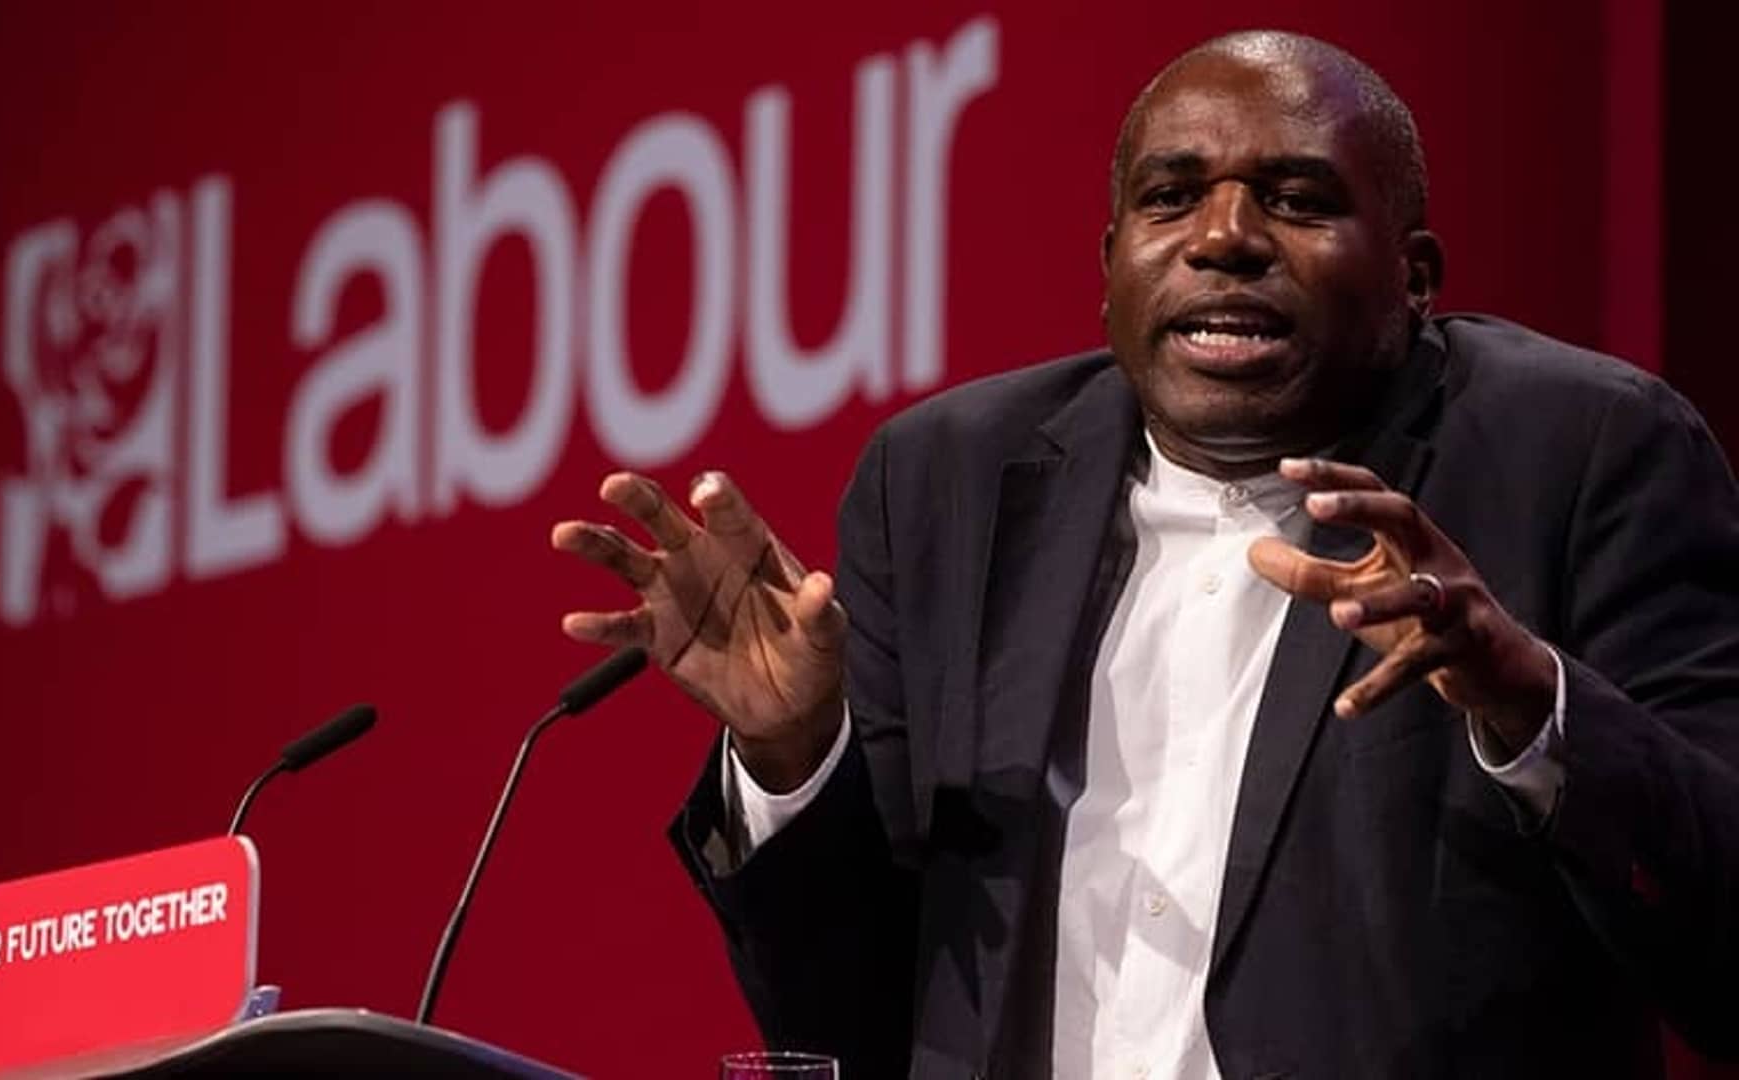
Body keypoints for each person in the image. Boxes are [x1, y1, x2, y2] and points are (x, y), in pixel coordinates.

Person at [551, 30, 1739, 1079]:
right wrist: (796, 759)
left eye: (1297, 199)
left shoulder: (1581, 452)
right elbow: (859, 1025)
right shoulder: (945, 482)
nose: (1225, 238)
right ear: (1109, 263)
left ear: (1415, 276)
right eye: (1172, 198)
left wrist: (1531, 706)